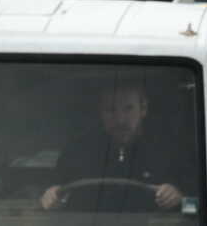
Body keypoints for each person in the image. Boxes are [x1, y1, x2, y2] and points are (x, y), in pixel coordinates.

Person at [41, 82, 193, 213]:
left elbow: (198, 207)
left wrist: (179, 198)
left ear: (143, 109)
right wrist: (50, 196)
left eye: (128, 109)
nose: (120, 119)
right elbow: (44, 199)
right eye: (110, 110)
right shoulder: (77, 152)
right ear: (100, 112)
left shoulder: (172, 151)